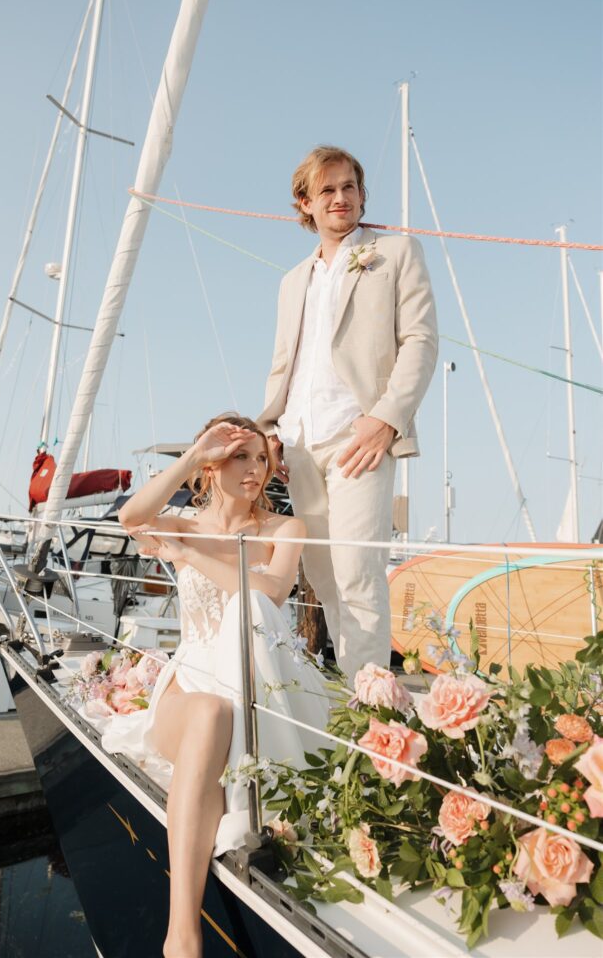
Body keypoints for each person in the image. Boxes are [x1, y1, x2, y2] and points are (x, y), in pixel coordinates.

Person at [114, 414, 329, 958]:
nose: (256, 470)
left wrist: (186, 556)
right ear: (212, 466)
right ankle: (182, 932)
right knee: (209, 713)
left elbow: (270, 595)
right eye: (240, 457)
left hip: (261, 677)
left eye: (261, 458)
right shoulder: (184, 520)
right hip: (189, 684)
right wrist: (190, 458)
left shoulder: (285, 530)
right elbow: (131, 516)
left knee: (226, 704)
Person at [258, 145, 438, 686]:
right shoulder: (292, 280)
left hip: (362, 437)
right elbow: (283, 364)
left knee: (359, 574)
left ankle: (373, 715)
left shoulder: (397, 252)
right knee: (324, 578)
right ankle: (355, 692)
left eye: (349, 187)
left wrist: (385, 418)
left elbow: (421, 342)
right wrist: (270, 430)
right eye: (328, 190)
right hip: (299, 443)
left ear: (361, 196)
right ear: (305, 203)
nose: (340, 198)